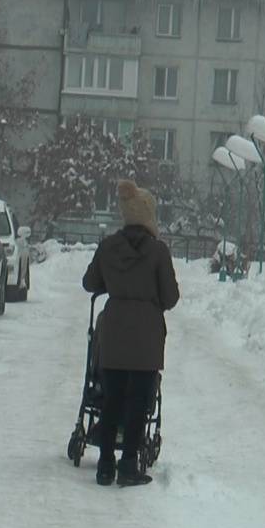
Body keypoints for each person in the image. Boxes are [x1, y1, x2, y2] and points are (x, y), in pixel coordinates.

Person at [82, 180, 181, 487]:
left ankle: (104, 465)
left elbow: (90, 282)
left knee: (111, 399)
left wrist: (114, 285)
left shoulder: (109, 246)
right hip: (147, 337)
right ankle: (128, 465)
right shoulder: (158, 251)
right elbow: (170, 298)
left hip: (112, 334)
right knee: (138, 401)